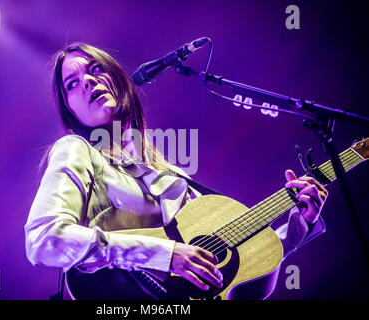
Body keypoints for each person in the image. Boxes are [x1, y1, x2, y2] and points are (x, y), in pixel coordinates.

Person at [24, 42, 328, 298]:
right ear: (71, 111)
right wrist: (166, 255)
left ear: (117, 78)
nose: (88, 81)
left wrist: (299, 222)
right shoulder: (76, 150)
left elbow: (240, 270)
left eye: (95, 69)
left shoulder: (168, 174)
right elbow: (44, 238)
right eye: (72, 84)